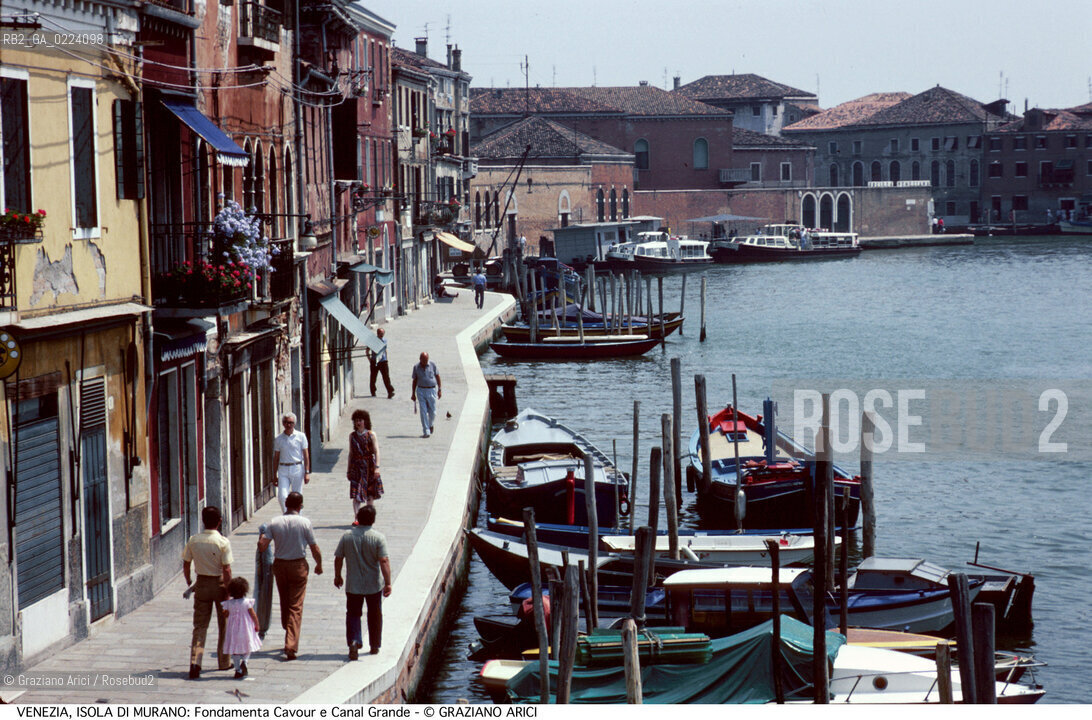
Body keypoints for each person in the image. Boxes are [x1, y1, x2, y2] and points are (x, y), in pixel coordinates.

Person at [257, 492, 323, 660]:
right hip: (298, 565)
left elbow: (262, 546)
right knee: (296, 605)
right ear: (300, 506)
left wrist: (261, 535)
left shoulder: (274, 522)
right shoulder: (305, 523)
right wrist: (319, 564)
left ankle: (288, 631)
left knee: (285, 601)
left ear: (286, 504)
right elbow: (314, 547)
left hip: (280, 566)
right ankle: (291, 646)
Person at [334, 505, 392, 659]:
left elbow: (338, 557)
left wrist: (337, 575)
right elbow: (384, 561)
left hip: (353, 584)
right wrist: (388, 583)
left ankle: (354, 640)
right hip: (373, 584)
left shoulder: (347, 536)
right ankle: (374, 645)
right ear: (373, 520)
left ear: (358, 519)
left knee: (353, 614)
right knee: (375, 614)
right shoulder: (378, 537)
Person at [182, 506, 233, 679]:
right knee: (224, 624)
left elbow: (186, 563)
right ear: (219, 521)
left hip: (202, 584)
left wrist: (189, 580)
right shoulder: (223, 542)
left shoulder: (193, 540)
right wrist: (229, 590)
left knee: (200, 626)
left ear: (203, 521)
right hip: (219, 584)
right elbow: (227, 569)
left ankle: (195, 663)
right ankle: (224, 662)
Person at [221, 577, 262, 679]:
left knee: (235, 650)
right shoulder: (247, 602)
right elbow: (253, 615)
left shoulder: (229, 603)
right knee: (247, 647)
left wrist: (226, 611)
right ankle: (245, 661)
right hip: (246, 629)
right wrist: (257, 625)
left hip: (233, 630)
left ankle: (238, 670)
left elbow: (225, 615)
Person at [347, 409, 383, 515]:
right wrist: (348, 470)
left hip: (369, 466)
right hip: (356, 467)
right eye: (356, 421)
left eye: (360, 420)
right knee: (356, 493)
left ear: (365, 421)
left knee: (370, 493)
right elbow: (351, 453)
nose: (358, 423)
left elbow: (376, 452)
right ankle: (357, 517)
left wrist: (377, 467)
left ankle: (369, 516)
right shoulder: (352, 436)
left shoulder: (371, 435)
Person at [272, 413, 310, 513]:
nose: (288, 425)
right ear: (283, 423)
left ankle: (298, 517)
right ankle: (287, 514)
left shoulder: (301, 436)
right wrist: (274, 475)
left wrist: (307, 472)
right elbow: (276, 458)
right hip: (283, 469)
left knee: (297, 496)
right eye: (286, 422)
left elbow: (306, 455)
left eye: (291, 423)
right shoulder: (278, 439)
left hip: (297, 467)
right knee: (282, 496)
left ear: (294, 423)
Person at [410, 352, 442, 438]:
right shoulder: (416, 367)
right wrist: (413, 393)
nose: (425, 362)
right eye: (423, 360)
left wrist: (439, 389)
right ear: (420, 359)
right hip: (421, 390)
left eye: (426, 360)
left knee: (433, 412)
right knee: (423, 411)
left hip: (431, 390)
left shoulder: (432, 365)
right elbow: (414, 380)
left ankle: (430, 424)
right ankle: (426, 431)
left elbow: (438, 376)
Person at [369, 327, 395, 398]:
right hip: (375, 361)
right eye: (380, 334)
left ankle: (390, 391)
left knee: (386, 377)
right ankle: (373, 391)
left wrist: (386, 358)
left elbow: (385, 350)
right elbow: (367, 351)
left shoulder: (385, 340)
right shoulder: (372, 341)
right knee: (373, 377)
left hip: (383, 361)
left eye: (383, 334)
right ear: (377, 334)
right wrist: (370, 360)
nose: (382, 335)